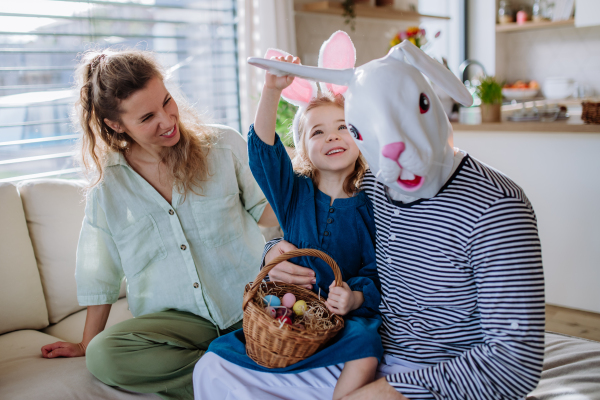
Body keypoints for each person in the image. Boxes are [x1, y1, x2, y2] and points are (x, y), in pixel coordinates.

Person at [193, 37, 545, 399]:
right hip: (332, 339)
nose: (395, 146)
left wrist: (378, 379)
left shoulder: (495, 205)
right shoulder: (377, 184)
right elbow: (266, 161)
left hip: (409, 362)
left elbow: (513, 364)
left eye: (344, 127)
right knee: (214, 368)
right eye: (322, 131)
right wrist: (271, 251)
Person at [40, 49, 278, 400]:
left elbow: (269, 214)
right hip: (180, 325)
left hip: (250, 303)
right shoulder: (109, 188)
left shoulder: (222, 146)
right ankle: (241, 378)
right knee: (104, 356)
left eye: (167, 102)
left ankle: (230, 372)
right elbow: (100, 271)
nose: (167, 120)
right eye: (148, 116)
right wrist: (87, 342)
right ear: (115, 125)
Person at [194, 55, 382, 400]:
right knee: (219, 352)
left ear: (359, 136)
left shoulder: (372, 203)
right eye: (318, 131)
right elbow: (263, 152)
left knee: (367, 344)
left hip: (342, 318)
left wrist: (354, 297)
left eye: (343, 126)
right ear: (305, 150)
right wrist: (271, 90)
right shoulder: (293, 192)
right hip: (289, 311)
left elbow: (376, 270)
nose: (332, 137)